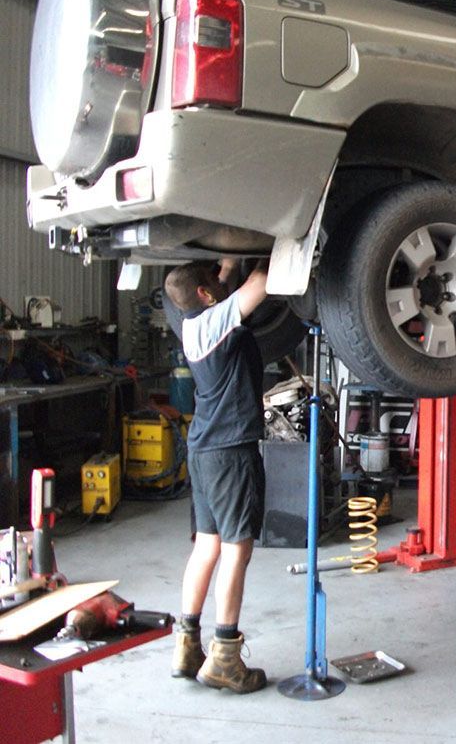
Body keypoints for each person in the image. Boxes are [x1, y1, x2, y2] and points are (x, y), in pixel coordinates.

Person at [164, 259, 269, 693]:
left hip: (203, 447)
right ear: (206, 295)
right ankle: (226, 655)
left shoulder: (192, 323)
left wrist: (225, 265)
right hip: (230, 451)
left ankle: (187, 646)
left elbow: (220, 288)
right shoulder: (218, 319)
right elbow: (261, 284)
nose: (221, 281)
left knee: (207, 546)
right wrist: (269, 245)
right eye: (214, 280)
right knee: (235, 552)